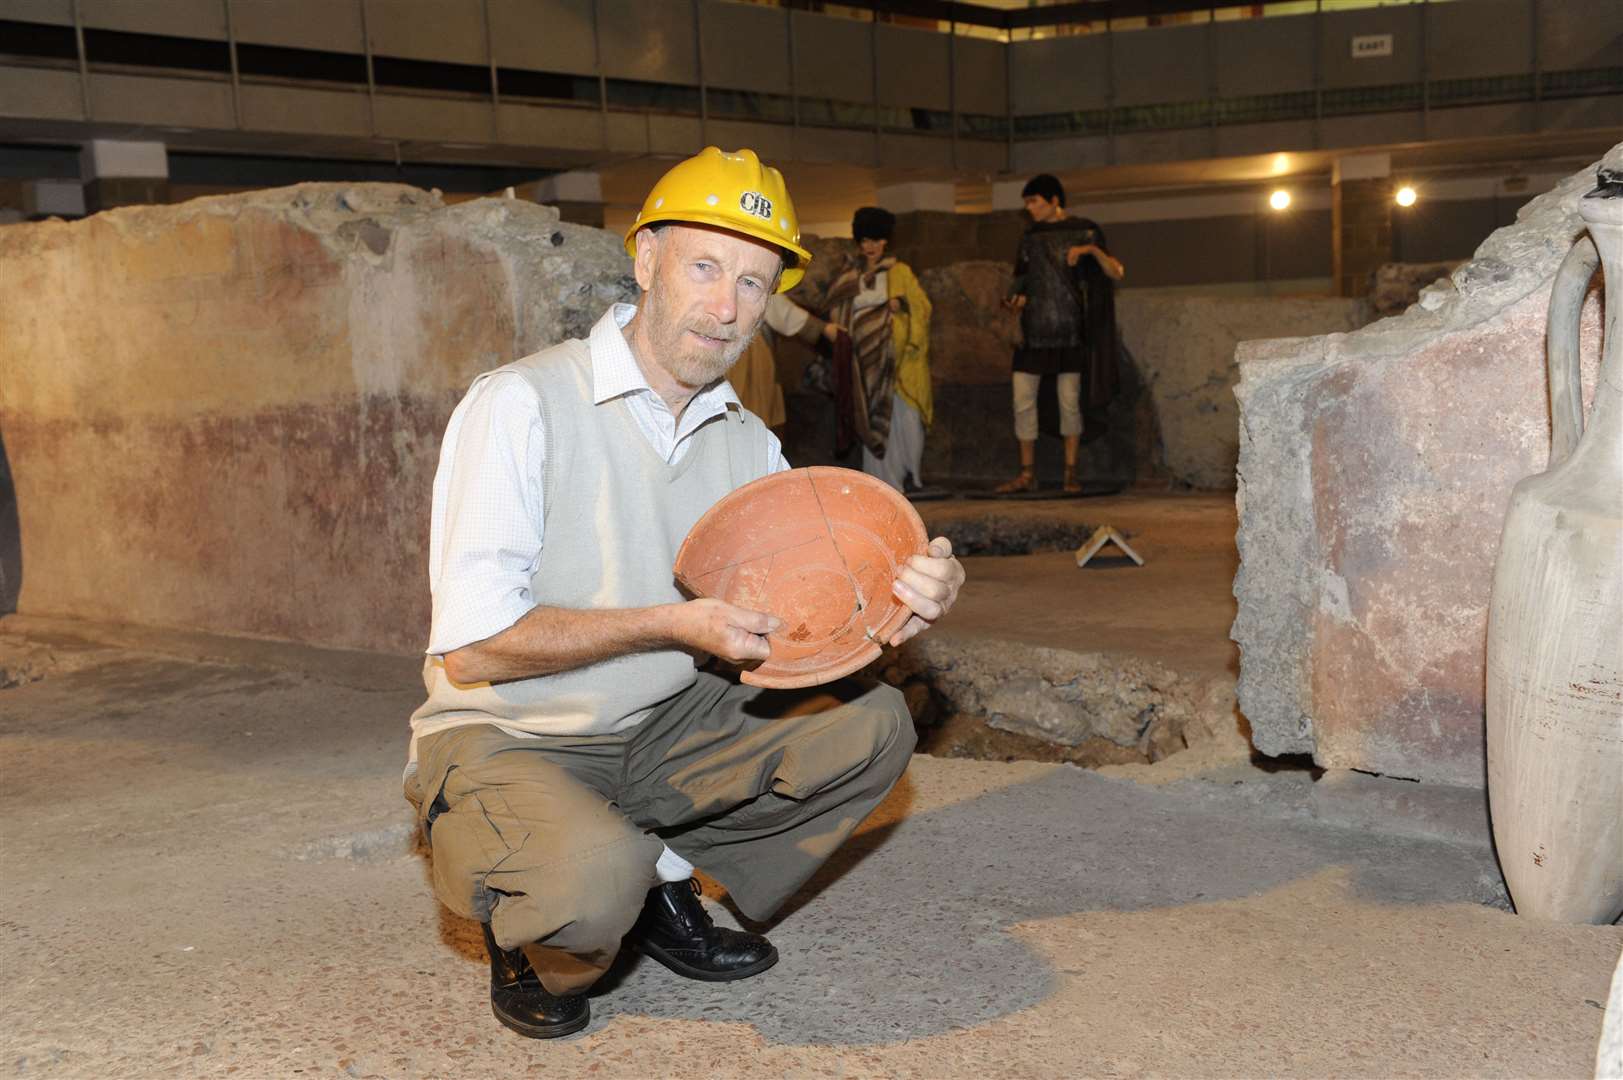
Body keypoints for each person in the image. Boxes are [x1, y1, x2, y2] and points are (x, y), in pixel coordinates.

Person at [403, 147, 966, 1040]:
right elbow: (473, 649)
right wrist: (669, 622)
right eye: (704, 267)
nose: (726, 306)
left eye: (753, 281)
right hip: (513, 730)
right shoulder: (522, 403)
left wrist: (906, 590)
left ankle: (662, 877)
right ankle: (535, 922)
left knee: (871, 725)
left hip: (663, 725)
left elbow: (809, 616)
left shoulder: (747, 442)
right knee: (587, 888)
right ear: (645, 259)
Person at [997, 173, 1124, 495]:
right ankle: (1027, 473)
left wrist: (1090, 250)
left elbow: (1116, 272)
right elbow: (1021, 279)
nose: (1030, 209)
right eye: (1027, 203)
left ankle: (1071, 472)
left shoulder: (1086, 229)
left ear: (1054, 200)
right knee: (1022, 402)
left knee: (1069, 404)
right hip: (1033, 332)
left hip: (1071, 332)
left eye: (1034, 201)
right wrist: (1017, 299)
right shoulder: (1030, 236)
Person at [807, 207, 933, 493]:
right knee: (871, 418)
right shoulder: (850, 275)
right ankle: (882, 484)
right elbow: (836, 308)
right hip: (863, 364)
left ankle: (910, 478)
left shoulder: (900, 272)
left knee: (906, 420)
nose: (871, 247)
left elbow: (923, 308)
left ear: (885, 241)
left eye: (876, 240)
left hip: (900, 365)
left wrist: (902, 306)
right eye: (865, 241)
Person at [725, 292, 840, 429]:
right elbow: (775, 306)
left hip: (732, 350)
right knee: (747, 413)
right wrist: (822, 327)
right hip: (746, 355)